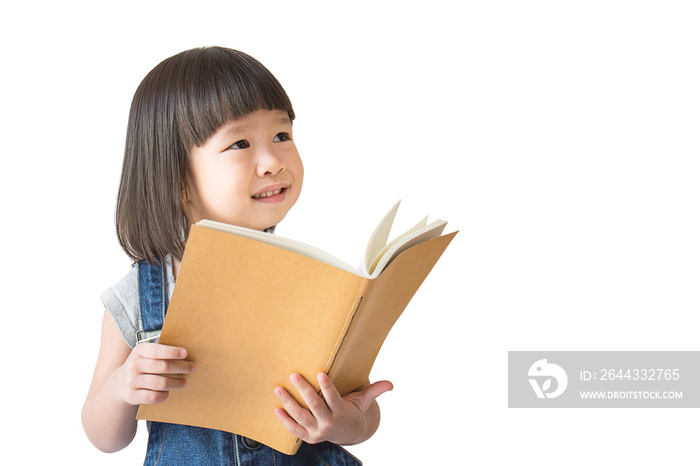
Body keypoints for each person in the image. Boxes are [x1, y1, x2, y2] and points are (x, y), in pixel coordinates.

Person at [82, 46, 393, 465]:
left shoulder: (315, 282)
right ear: (175, 177)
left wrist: (342, 423)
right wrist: (122, 388)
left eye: (282, 136)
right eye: (240, 143)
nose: (271, 162)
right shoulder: (141, 296)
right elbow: (102, 436)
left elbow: (363, 413)